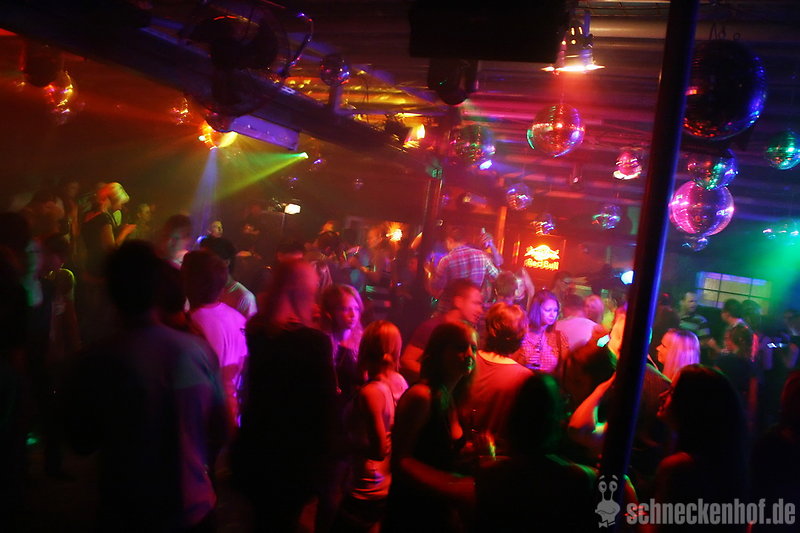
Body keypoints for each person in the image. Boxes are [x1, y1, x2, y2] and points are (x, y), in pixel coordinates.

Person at [64, 241, 230, 532]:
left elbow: (81, 441)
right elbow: (221, 428)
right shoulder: (198, 350)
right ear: (157, 288)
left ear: (111, 292)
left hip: (127, 512)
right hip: (194, 508)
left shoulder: (97, 360)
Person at [233, 259, 338, 533]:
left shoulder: (258, 330)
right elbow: (324, 409)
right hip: (294, 459)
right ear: (305, 291)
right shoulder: (314, 342)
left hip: (257, 449)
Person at [475, 373, 603, 531]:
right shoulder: (581, 478)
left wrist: (488, 460)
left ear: (514, 416)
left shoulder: (491, 476)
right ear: (556, 419)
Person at [383, 322, 477, 533]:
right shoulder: (422, 396)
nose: (470, 354)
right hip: (413, 513)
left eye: (474, 348)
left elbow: (436, 451)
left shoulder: (450, 397)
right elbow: (401, 461)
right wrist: (454, 485)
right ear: (439, 351)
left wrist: (467, 451)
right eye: (460, 347)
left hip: (439, 511)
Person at [333, 321, 408, 533]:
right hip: (382, 481)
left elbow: (378, 449)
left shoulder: (372, 392)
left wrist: (342, 444)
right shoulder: (399, 382)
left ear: (365, 347)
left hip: (365, 484)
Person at [653, 365, 748, 532]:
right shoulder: (727, 465)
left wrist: (629, 498)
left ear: (692, 405)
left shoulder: (679, 468)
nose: (662, 396)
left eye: (672, 392)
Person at [181, 250, 249, 424]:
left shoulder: (191, 325)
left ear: (189, 282)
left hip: (203, 421)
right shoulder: (239, 319)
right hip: (233, 419)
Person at [464, 303, 532, 457]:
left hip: (455, 451)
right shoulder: (525, 377)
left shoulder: (468, 360)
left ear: (489, 329)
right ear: (521, 336)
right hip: (497, 460)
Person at [400, 278, 483, 384]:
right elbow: (406, 361)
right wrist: (438, 380)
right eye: (476, 303)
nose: (480, 310)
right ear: (458, 302)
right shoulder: (432, 327)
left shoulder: (469, 332)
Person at [429, 225, 501, 299]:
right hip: (473, 302)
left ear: (449, 241)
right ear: (464, 240)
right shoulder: (482, 256)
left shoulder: (446, 260)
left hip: (453, 304)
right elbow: (497, 276)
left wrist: (431, 272)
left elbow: (436, 287)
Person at [199, 236, 257, 319]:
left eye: (207, 259)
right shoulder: (202, 289)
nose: (202, 264)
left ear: (226, 262)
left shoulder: (244, 297)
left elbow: (248, 326)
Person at [518, 289, 569, 373]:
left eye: (555, 310)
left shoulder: (559, 337)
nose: (552, 315)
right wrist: (524, 364)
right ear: (536, 310)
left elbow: (565, 368)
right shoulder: (521, 334)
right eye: (548, 310)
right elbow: (510, 364)